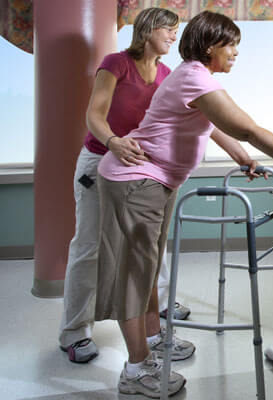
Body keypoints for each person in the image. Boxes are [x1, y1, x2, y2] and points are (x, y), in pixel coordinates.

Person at [94, 10, 273, 398]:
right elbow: (247, 127)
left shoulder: (196, 78)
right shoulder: (192, 76)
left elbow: (217, 128)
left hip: (155, 183)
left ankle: (155, 340)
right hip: (136, 182)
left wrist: (243, 158)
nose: (237, 53)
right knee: (135, 274)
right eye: (231, 45)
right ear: (210, 46)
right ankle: (135, 369)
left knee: (150, 267)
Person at [59, 7, 194, 364]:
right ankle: (74, 332)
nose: (173, 36)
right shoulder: (116, 63)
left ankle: (160, 308)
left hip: (139, 168)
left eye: (176, 31)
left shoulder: (166, 74)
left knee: (149, 244)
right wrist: (114, 141)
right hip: (98, 160)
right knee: (90, 246)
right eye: (169, 29)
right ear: (148, 28)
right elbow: (95, 114)